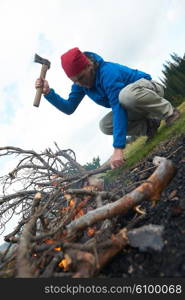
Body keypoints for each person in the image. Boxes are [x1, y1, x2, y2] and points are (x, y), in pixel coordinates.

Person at [35, 47, 180, 169]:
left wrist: (118, 149)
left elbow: (118, 107)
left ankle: (170, 113)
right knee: (105, 125)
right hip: (132, 105)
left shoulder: (107, 72)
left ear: (88, 66)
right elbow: (69, 107)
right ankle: (150, 126)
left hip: (150, 90)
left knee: (125, 96)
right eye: (75, 81)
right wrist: (48, 93)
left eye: (81, 77)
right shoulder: (81, 85)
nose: (80, 83)